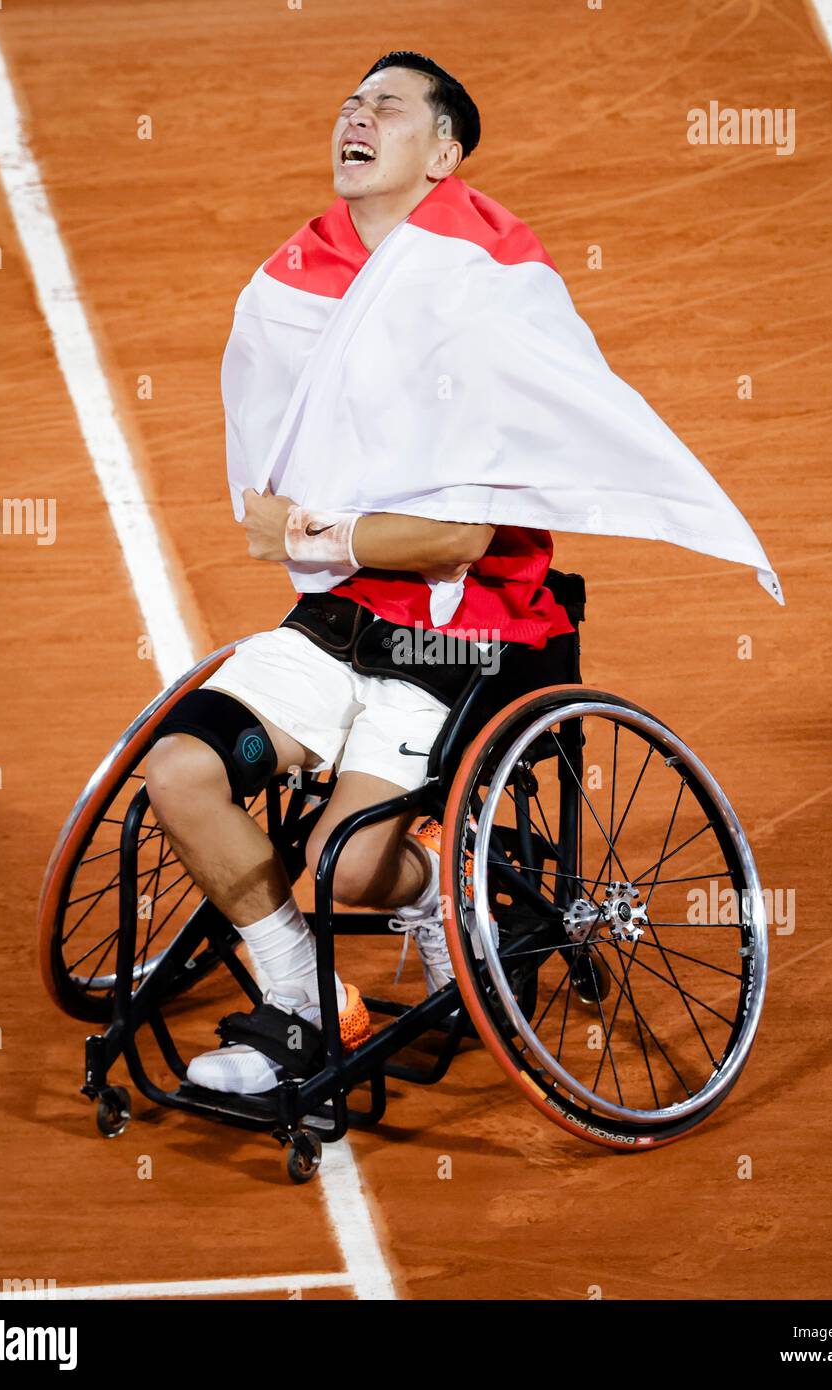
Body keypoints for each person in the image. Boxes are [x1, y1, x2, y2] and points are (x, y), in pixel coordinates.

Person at [145, 53, 574, 1096]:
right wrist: (311, 536)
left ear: (443, 153)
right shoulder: (309, 279)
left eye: (387, 105)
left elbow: (459, 540)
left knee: (354, 869)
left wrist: (303, 528)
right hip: (338, 625)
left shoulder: (487, 298)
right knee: (182, 772)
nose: (357, 115)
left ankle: (449, 890)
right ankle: (301, 996)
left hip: (456, 637)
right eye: (349, 101)